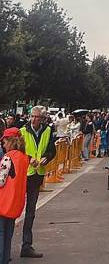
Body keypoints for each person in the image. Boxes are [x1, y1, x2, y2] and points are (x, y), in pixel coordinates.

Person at [20, 106, 56, 258]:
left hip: (37, 175)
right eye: (32, 117)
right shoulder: (22, 131)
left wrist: (45, 159)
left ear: (42, 118)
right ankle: (5, 245)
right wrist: (29, 159)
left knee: (30, 212)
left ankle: (26, 245)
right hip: (23, 174)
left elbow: (52, 151)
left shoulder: (47, 131)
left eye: (37, 117)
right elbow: (18, 151)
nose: (34, 119)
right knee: (13, 209)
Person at [0, 128, 28, 264]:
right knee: (8, 236)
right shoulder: (23, 158)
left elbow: (1, 180)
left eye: (4, 141)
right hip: (15, 203)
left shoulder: (7, 158)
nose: (3, 145)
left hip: (3, 202)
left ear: (10, 141)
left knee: (0, 235)